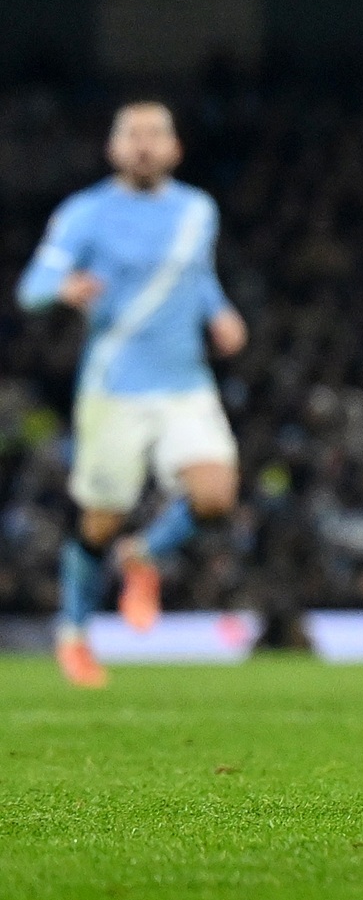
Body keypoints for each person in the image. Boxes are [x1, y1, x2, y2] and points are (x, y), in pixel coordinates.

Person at [15, 102, 248, 690]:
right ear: (113, 148)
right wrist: (64, 287)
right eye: (132, 135)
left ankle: (142, 553)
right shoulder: (85, 213)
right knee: (99, 521)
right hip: (114, 389)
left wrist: (220, 314)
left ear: (175, 148)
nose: (143, 145)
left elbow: (196, 278)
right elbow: (31, 286)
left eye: (155, 135)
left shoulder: (199, 210)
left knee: (216, 492)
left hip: (185, 382)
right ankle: (73, 635)